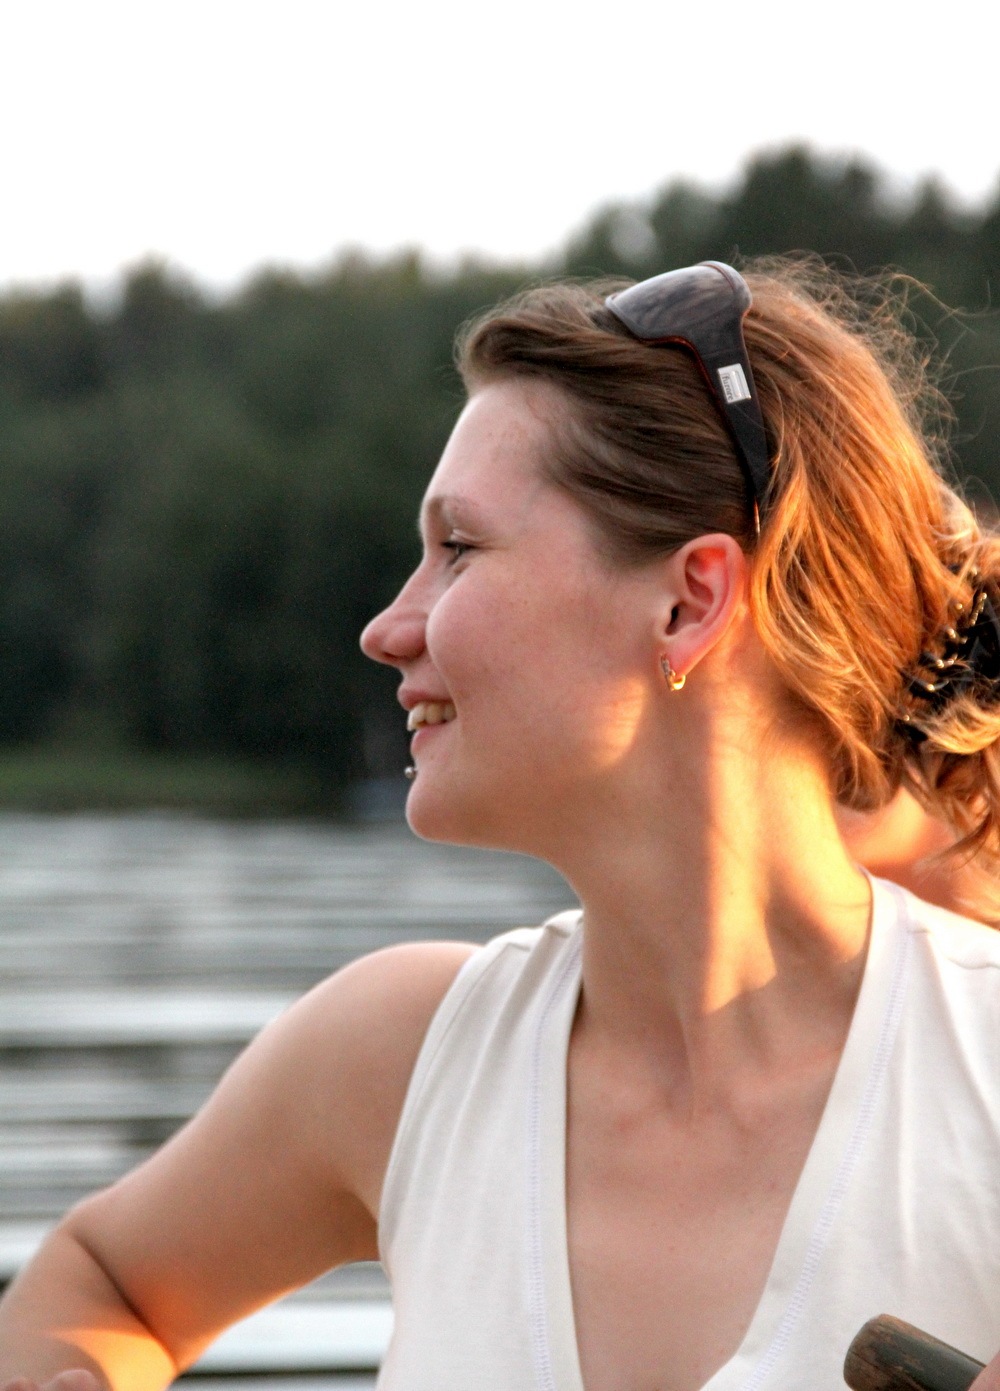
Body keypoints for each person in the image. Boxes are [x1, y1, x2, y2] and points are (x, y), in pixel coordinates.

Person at [3, 256, 1000, 1391]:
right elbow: (98, 1284)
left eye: (459, 549)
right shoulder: (394, 1059)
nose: (388, 627)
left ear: (690, 601)